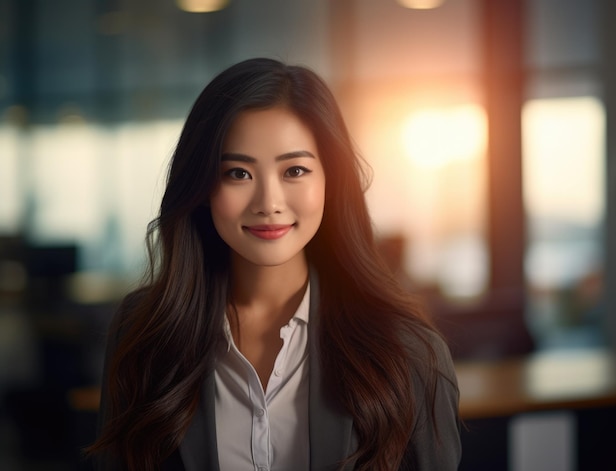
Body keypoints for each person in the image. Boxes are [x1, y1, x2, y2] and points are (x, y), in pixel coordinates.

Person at [88, 57, 461, 471]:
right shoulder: (144, 332)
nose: (268, 202)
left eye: (295, 170)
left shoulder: (408, 350)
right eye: (238, 173)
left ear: (330, 183)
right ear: (203, 186)